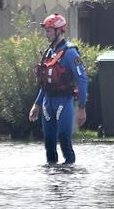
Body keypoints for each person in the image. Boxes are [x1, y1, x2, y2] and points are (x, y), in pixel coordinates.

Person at [27, 14, 88, 164]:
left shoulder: (70, 53)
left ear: (59, 31)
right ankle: (52, 180)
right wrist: (37, 104)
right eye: (46, 31)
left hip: (64, 102)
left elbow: (82, 79)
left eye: (49, 31)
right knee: (49, 143)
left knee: (64, 140)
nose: (46, 34)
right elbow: (45, 84)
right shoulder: (48, 53)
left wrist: (82, 108)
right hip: (48, 103)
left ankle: (68, 180)